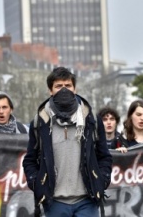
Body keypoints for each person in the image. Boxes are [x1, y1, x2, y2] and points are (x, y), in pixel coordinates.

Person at [22, 67, 112, 217]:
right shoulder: (40, 122)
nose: (64, 90)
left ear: (75, 89)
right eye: (58, 86)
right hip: (54, 203)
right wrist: (37, 184)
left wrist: (101, 181)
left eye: (68, 85)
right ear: (50, 91)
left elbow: (104, 156)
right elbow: (30, 160)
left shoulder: (92, 120)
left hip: (87, 202)